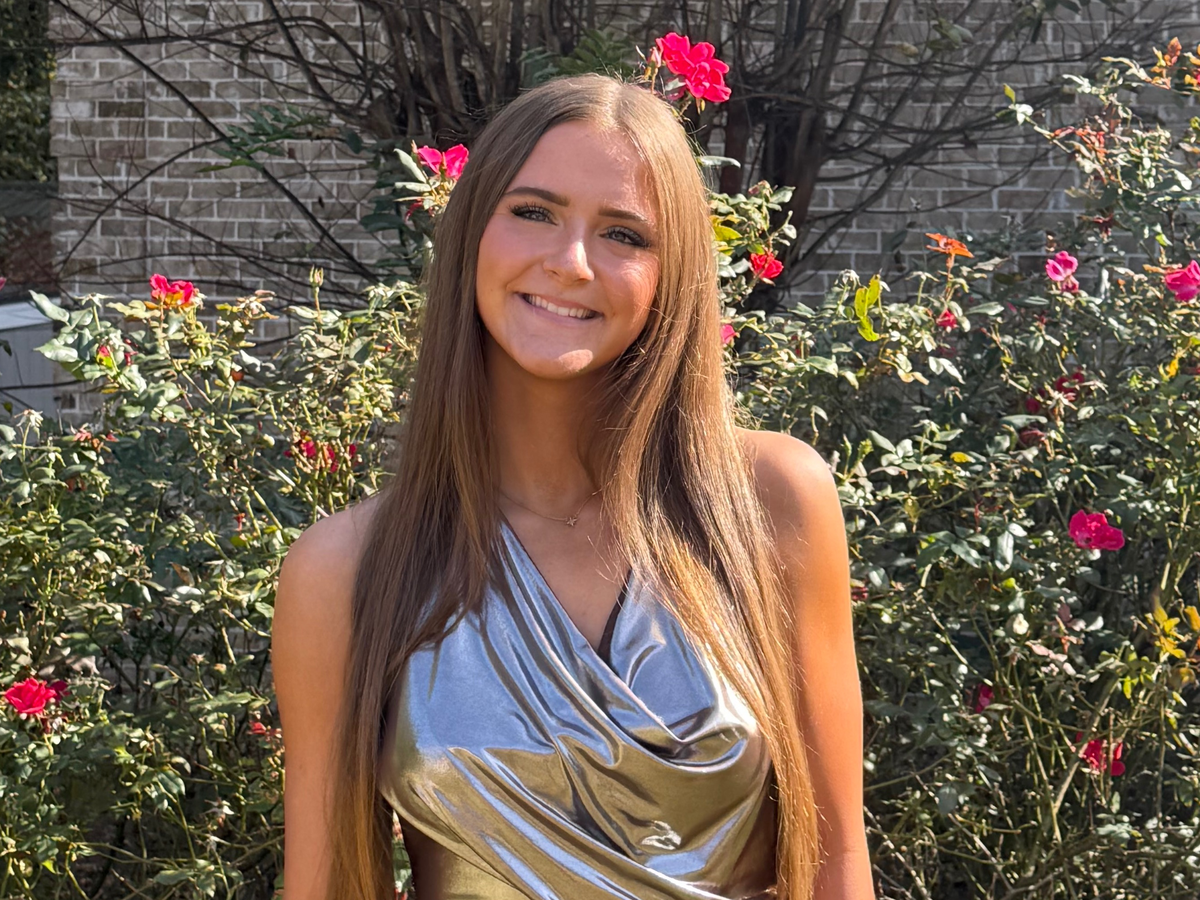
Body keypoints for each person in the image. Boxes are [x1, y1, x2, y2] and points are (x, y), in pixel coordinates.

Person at [271, 72, 873, 900]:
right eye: (533, 212)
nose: (571, 262)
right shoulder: (346, 569)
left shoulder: (768, 501)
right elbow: (327, 884)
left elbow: (836, 863)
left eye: (624, 234)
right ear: (472, 232)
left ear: (672, 274)